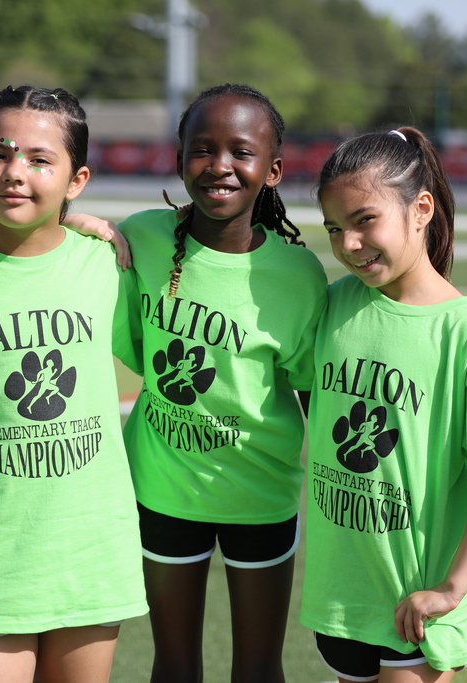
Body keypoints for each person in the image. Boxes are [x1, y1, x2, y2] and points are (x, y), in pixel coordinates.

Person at [0, 85, 147, 683]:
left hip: (89, 549)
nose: (15, 172)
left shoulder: (108, 266)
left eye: (41, 160)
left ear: (78, 179)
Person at [302, 127, 467, 682]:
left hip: (418, 602)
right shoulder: (337, 302)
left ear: (420, 209)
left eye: (365, 220)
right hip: (341, 596)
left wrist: (451, 589)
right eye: (335, 229)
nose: (349, 245)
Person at [118, 83, 328, 682]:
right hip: (164, 489)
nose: (220, 166)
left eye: (241, 151)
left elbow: (314, 391)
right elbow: (134, 343)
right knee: (175, 665)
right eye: (202, 149)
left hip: (261, 495)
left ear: (275, 169)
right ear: (179, 157)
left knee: (259, 669)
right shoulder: (142, 237)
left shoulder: (297, 274)